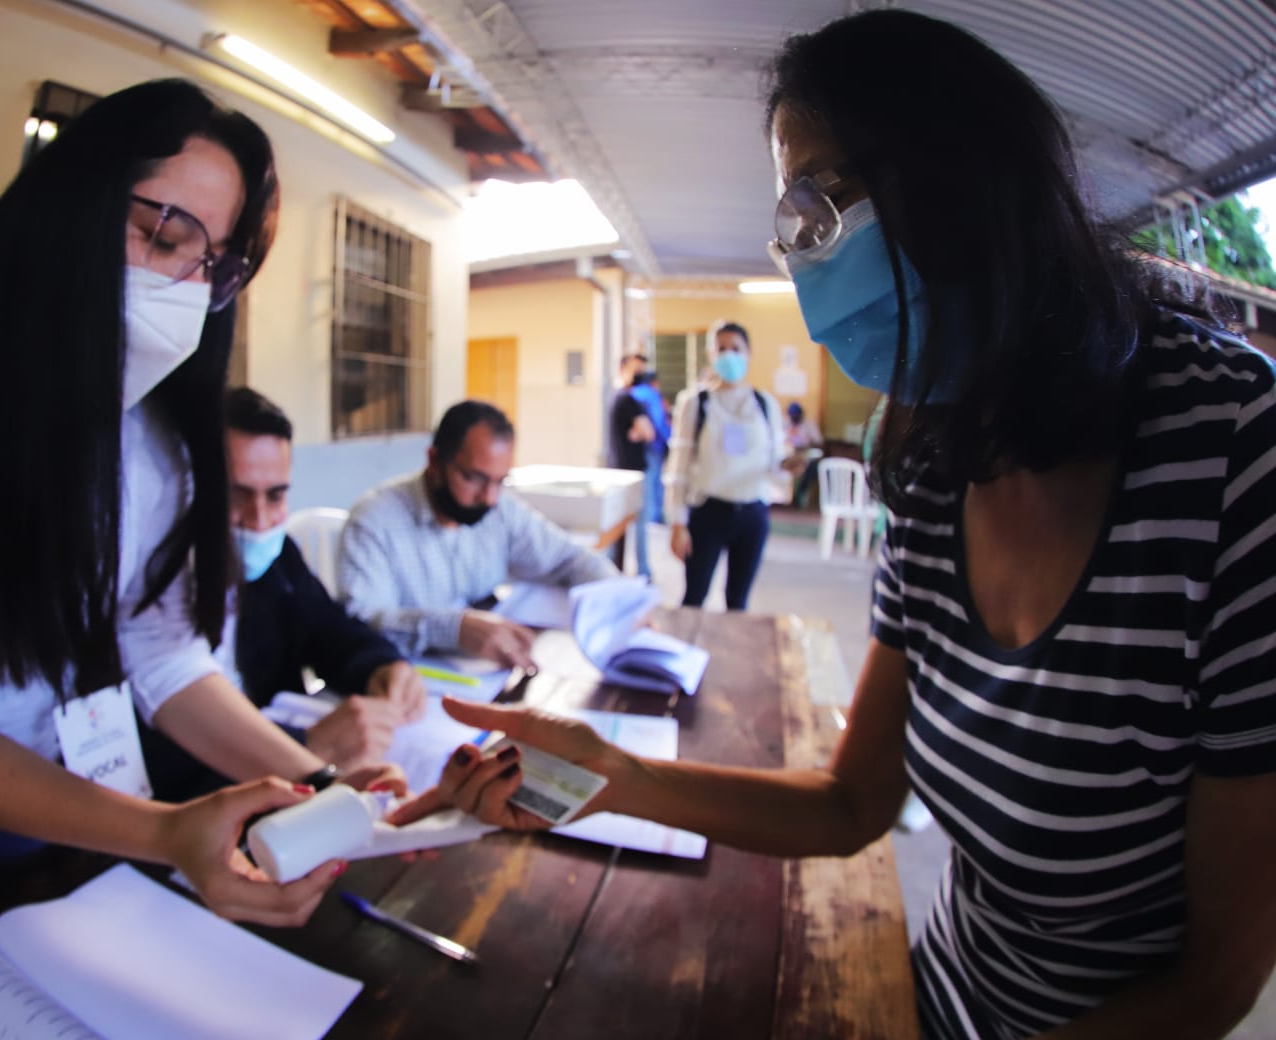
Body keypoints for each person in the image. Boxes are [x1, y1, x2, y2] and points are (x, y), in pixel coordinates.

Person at [393, 10, 1276, 1039]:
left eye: (815, 209)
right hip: (938, 996)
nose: (801, 266)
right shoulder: (942, 459)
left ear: (952, 178)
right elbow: (852, 803)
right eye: (788, 231)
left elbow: (1217, 981)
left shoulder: (1234, 453)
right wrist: (613, 774)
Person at [0, 80, 401, 924]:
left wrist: (321, 787)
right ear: (68, 206)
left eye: (213, 265)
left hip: (61, 754)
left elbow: (159, 657)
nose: (183, 286)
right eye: (163, 232)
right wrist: (168, 834)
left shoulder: (158, 437)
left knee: (80, 936)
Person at [217, 386, 425, 772]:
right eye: (235, 496)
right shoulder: (143, 598)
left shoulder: (278, 561)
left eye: (276, 497)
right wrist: (308, 748)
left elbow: (329, 630)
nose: (259, 520)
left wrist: (382, 667)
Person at [337, 400, 619, 670]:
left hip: (490, 675)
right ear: (434, 461)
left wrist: (620, 601)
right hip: (409, 686)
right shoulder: (376, 521)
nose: (490, 498)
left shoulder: (500, 511)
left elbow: (570, 558)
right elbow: (361, 620)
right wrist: (453, 629)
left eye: (500, 481)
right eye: (475, 478)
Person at [663, 321, 788, 610]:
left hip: (752, 514)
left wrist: (788, 468)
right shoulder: (696, 403)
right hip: (708, 513)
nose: (729, 355)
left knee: (738, 602)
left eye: (736, 349)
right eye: (721, 349)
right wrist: (677, 522)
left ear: (749, 354)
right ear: (711, 354)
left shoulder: (764, 404)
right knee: (695, 597)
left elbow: (773, 466)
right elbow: (678, 467)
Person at [608, 352, 656, 579]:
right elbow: (648, 432)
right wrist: (640, 431)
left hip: (621, 470)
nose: (640, 376)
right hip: (632, 472)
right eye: (637, 370)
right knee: (636, 526)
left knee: (621, 526)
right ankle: (642, 571)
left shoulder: (620, 398)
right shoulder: (627, 400)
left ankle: (615, 570)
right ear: (624, 368)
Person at [630, 369, 672, 525]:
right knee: (654, 482)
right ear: (654, 382)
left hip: (635, 448)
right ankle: (653, 517)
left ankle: (646, 516)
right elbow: (659, 421)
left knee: (645, 482)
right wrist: (669, 437)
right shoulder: (652, 395)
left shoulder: (633, 393)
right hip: (654, 445)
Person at [781, 401, 824, 508]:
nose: (794, 417)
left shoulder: (809, 424)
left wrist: (806, 445)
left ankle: (799, 495)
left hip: (805, 453)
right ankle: (783, 497)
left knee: (810, 467)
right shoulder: (786, 423)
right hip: (789, 452)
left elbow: (819, 442)